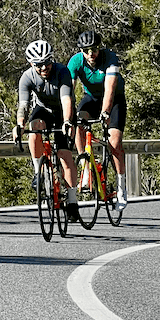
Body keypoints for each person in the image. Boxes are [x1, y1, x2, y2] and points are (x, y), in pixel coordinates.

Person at [11, 39, 80, 222]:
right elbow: (23, 105)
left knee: (65, 156)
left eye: (47, 62)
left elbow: (66, 99)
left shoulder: (62, 71)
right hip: (43, 110)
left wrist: (67, 121)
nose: (44, 68)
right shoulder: (27, 77)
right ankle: (38, 172)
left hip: (63, 112)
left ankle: (72, 202)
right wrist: (19, 125)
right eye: (38, 65)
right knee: (34, 129)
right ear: (31, 64)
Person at [67, 30, 128, 210]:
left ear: (99, 48)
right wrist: (68, 116)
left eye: (94, 49)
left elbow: (110, 88)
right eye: (86, 50)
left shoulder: (110, 58)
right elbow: (68, 92)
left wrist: (105, 113)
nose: (90, 54)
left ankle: (121, 187)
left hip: (114, 99)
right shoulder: (75, 62)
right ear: (81, 51)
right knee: (78, 122)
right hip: (91, 98)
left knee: (114, 143)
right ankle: (86, 165)